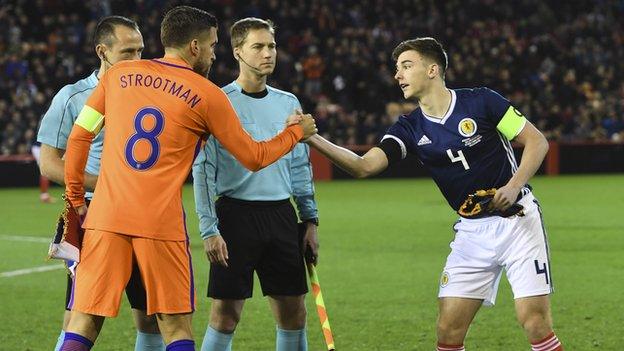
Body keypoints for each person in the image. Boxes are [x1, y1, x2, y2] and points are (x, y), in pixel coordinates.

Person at [60, 6, 316, 351]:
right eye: (212, 45)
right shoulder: (207, 94)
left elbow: (79, 138)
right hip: (159, 223)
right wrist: (294, 134)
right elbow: (254, 157)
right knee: (175, 326)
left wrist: (76, 202)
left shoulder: (118, 76)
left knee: (83, 321)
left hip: (105, 216)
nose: (213, 53)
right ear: (194, 46)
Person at [305, 37, 563, 351]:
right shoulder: (409, 128)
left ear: (432, 70)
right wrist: (314, 139)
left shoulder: (482, 101)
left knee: (534, 322)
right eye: (397, 68)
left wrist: (513, 186)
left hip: (517, 221)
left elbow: (537, 142)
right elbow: (364, 166)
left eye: (406, 66)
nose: (397, 75)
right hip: (471, 231)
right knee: (448, 331)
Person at [35, 16, 165, 351]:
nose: (137, 60)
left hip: (143, 214)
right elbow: (50, 164)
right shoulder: (74, 97)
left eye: (141, 51)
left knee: (150, 313)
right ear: (102, 51)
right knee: (81, 313)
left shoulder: (151, 93)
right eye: (127, 52)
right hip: (92, 212)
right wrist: (111, 183)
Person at [192, 18, 319, 351]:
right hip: (235, 217)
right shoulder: (218, 101)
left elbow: (300, 166)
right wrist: (209, 229)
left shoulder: (288, 102)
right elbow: (202, 171)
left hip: (280, 215)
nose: (268, 54)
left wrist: (309, 219)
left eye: (272, 46)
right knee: (225, 315)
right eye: (258, 46)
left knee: (294, 313)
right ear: (237, 51)